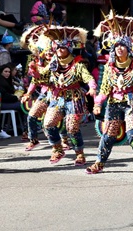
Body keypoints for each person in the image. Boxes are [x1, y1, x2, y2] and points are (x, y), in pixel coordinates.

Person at [87, 14, 133, 175]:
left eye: (123, 46)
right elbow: (104, 89)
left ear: (128, 48)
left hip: (131, 102)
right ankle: (99, 162)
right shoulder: (110, 68)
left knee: (132, 133)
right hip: (113, 104)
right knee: (108, 135)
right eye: (116, 46)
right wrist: (97, 104)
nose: (119, 48)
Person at [38, 26, 97, 166]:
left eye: (63, 48)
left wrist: (92, 87)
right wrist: (36, 73)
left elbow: (88, 78)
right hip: (57, 98)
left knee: (72, 128)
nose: (59, 50)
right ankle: (57, 149)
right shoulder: (52, 64)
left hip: (74, 98)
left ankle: (79, 153)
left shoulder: (78, 64)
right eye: (57, 48)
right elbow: (42, 77)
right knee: (48, 124)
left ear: (69, 49)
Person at [0, 64, 26, 138]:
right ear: (1, 72)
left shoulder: (6, 81)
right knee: (23, 105)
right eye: (5, 71)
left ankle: (23, 127)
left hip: (8, 102)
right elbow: (4, 96)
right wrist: (16, 98)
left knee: (25, 103)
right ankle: (25, 127)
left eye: (9, 72)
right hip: (0, 104)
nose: (7, 73)